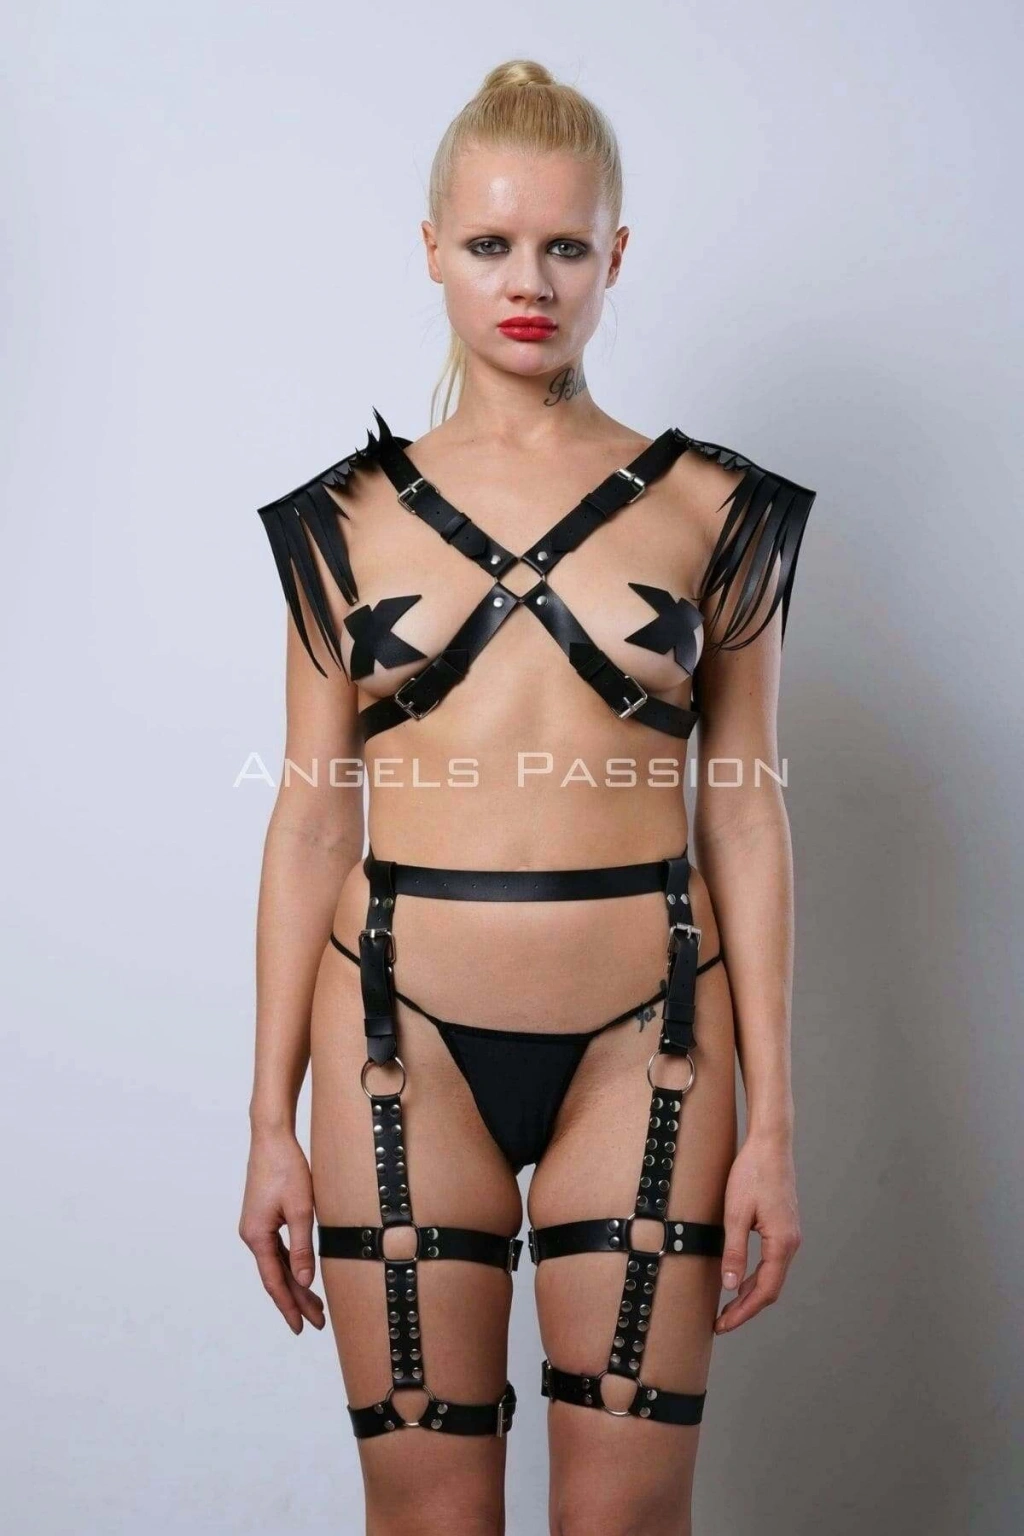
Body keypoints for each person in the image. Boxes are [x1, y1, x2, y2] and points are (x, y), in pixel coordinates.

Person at [240, 56, 814, 1536]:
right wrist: (266, 1123)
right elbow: (311, 817)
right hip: (393, 1042)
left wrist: (776, 1126)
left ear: (616, 256)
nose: (528, 281)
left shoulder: (719, 513)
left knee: (625, 1521)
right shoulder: (338, 523)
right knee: (428, 1520)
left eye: (565, 245)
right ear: (431, 249)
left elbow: (744, 810)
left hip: (654, 1039)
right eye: (491, 242)